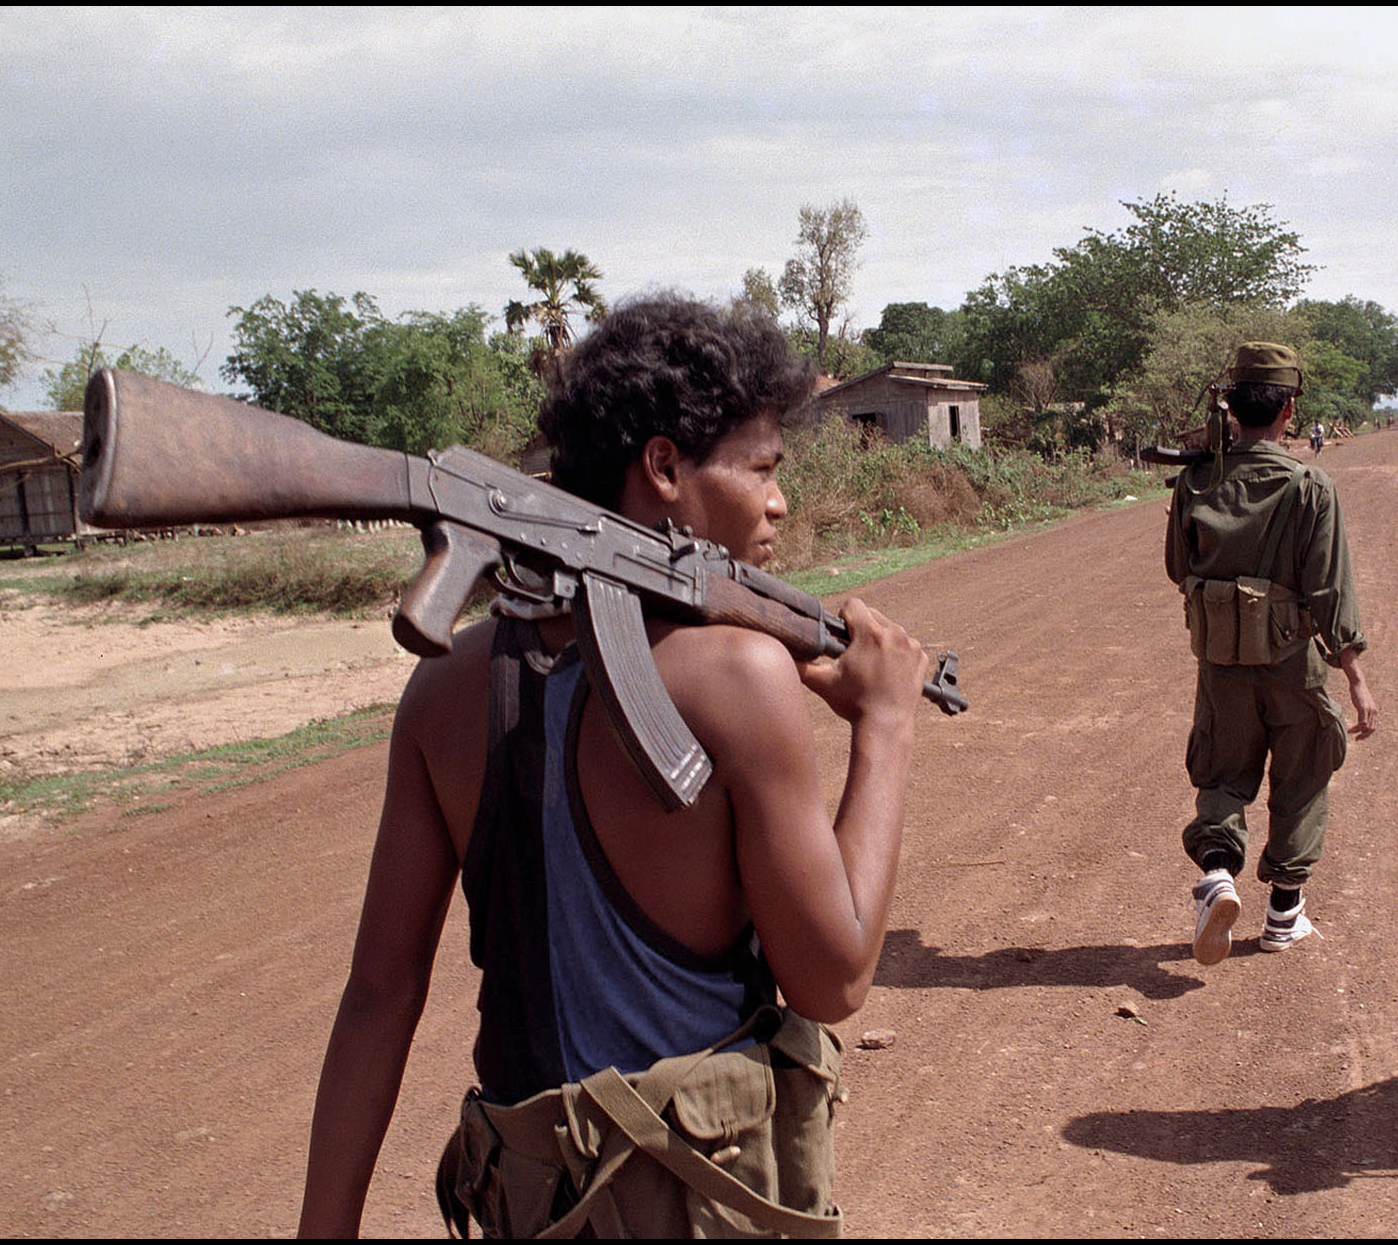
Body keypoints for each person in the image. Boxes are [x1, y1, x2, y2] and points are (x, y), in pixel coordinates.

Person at [298, 295, 929, 1237]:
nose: (780, 501)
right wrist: (885, 728)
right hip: (706, 1201)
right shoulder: (737, 676)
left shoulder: (442, 694)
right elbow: (832, 984)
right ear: (664, 467)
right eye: (762, 467)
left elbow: (380, 991)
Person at [1166, 342, 1379, 966]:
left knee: (1224, 775)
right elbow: (1330, 589)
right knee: (1305, 770)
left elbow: (1180, 568)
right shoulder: (1310, 485)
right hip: (1292, 662)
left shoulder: (1196, 478)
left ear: (1230, 406)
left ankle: (1219, 875)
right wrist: (1358, 681)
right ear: (1289, 408)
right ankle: (1284, 914)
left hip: (1222, 665)